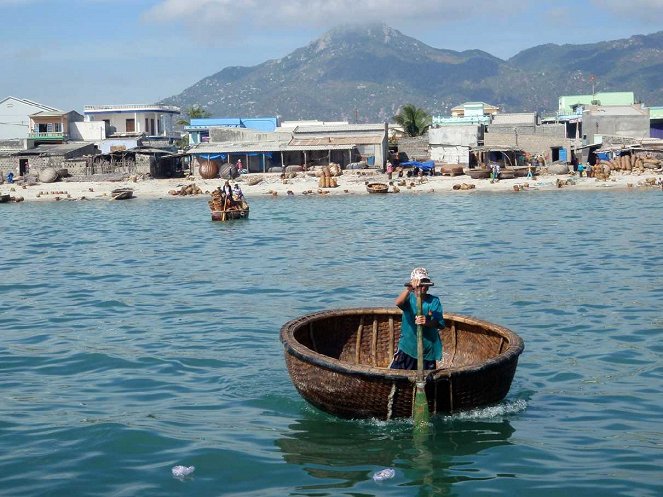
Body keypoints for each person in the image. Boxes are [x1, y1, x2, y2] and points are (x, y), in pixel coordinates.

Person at [390, 267, 444, 371]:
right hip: (408, 347)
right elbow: (398, 303)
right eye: (420, 282)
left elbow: (438, 322)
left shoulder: (434, 301)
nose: (422, 286)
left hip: (427, 349)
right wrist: (409, 288)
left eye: (425, 282)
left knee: (427, 379)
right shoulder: (409, 298)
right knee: (397, 376)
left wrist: (427, 322)